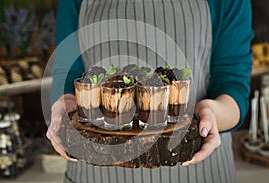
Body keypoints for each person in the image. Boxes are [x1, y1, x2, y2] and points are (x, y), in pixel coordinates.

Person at [46, 0, 253, 182]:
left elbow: (232, 84)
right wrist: (64, 104)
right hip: (95, 172)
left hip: (200, 171)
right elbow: (67, 72)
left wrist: (211, 113)